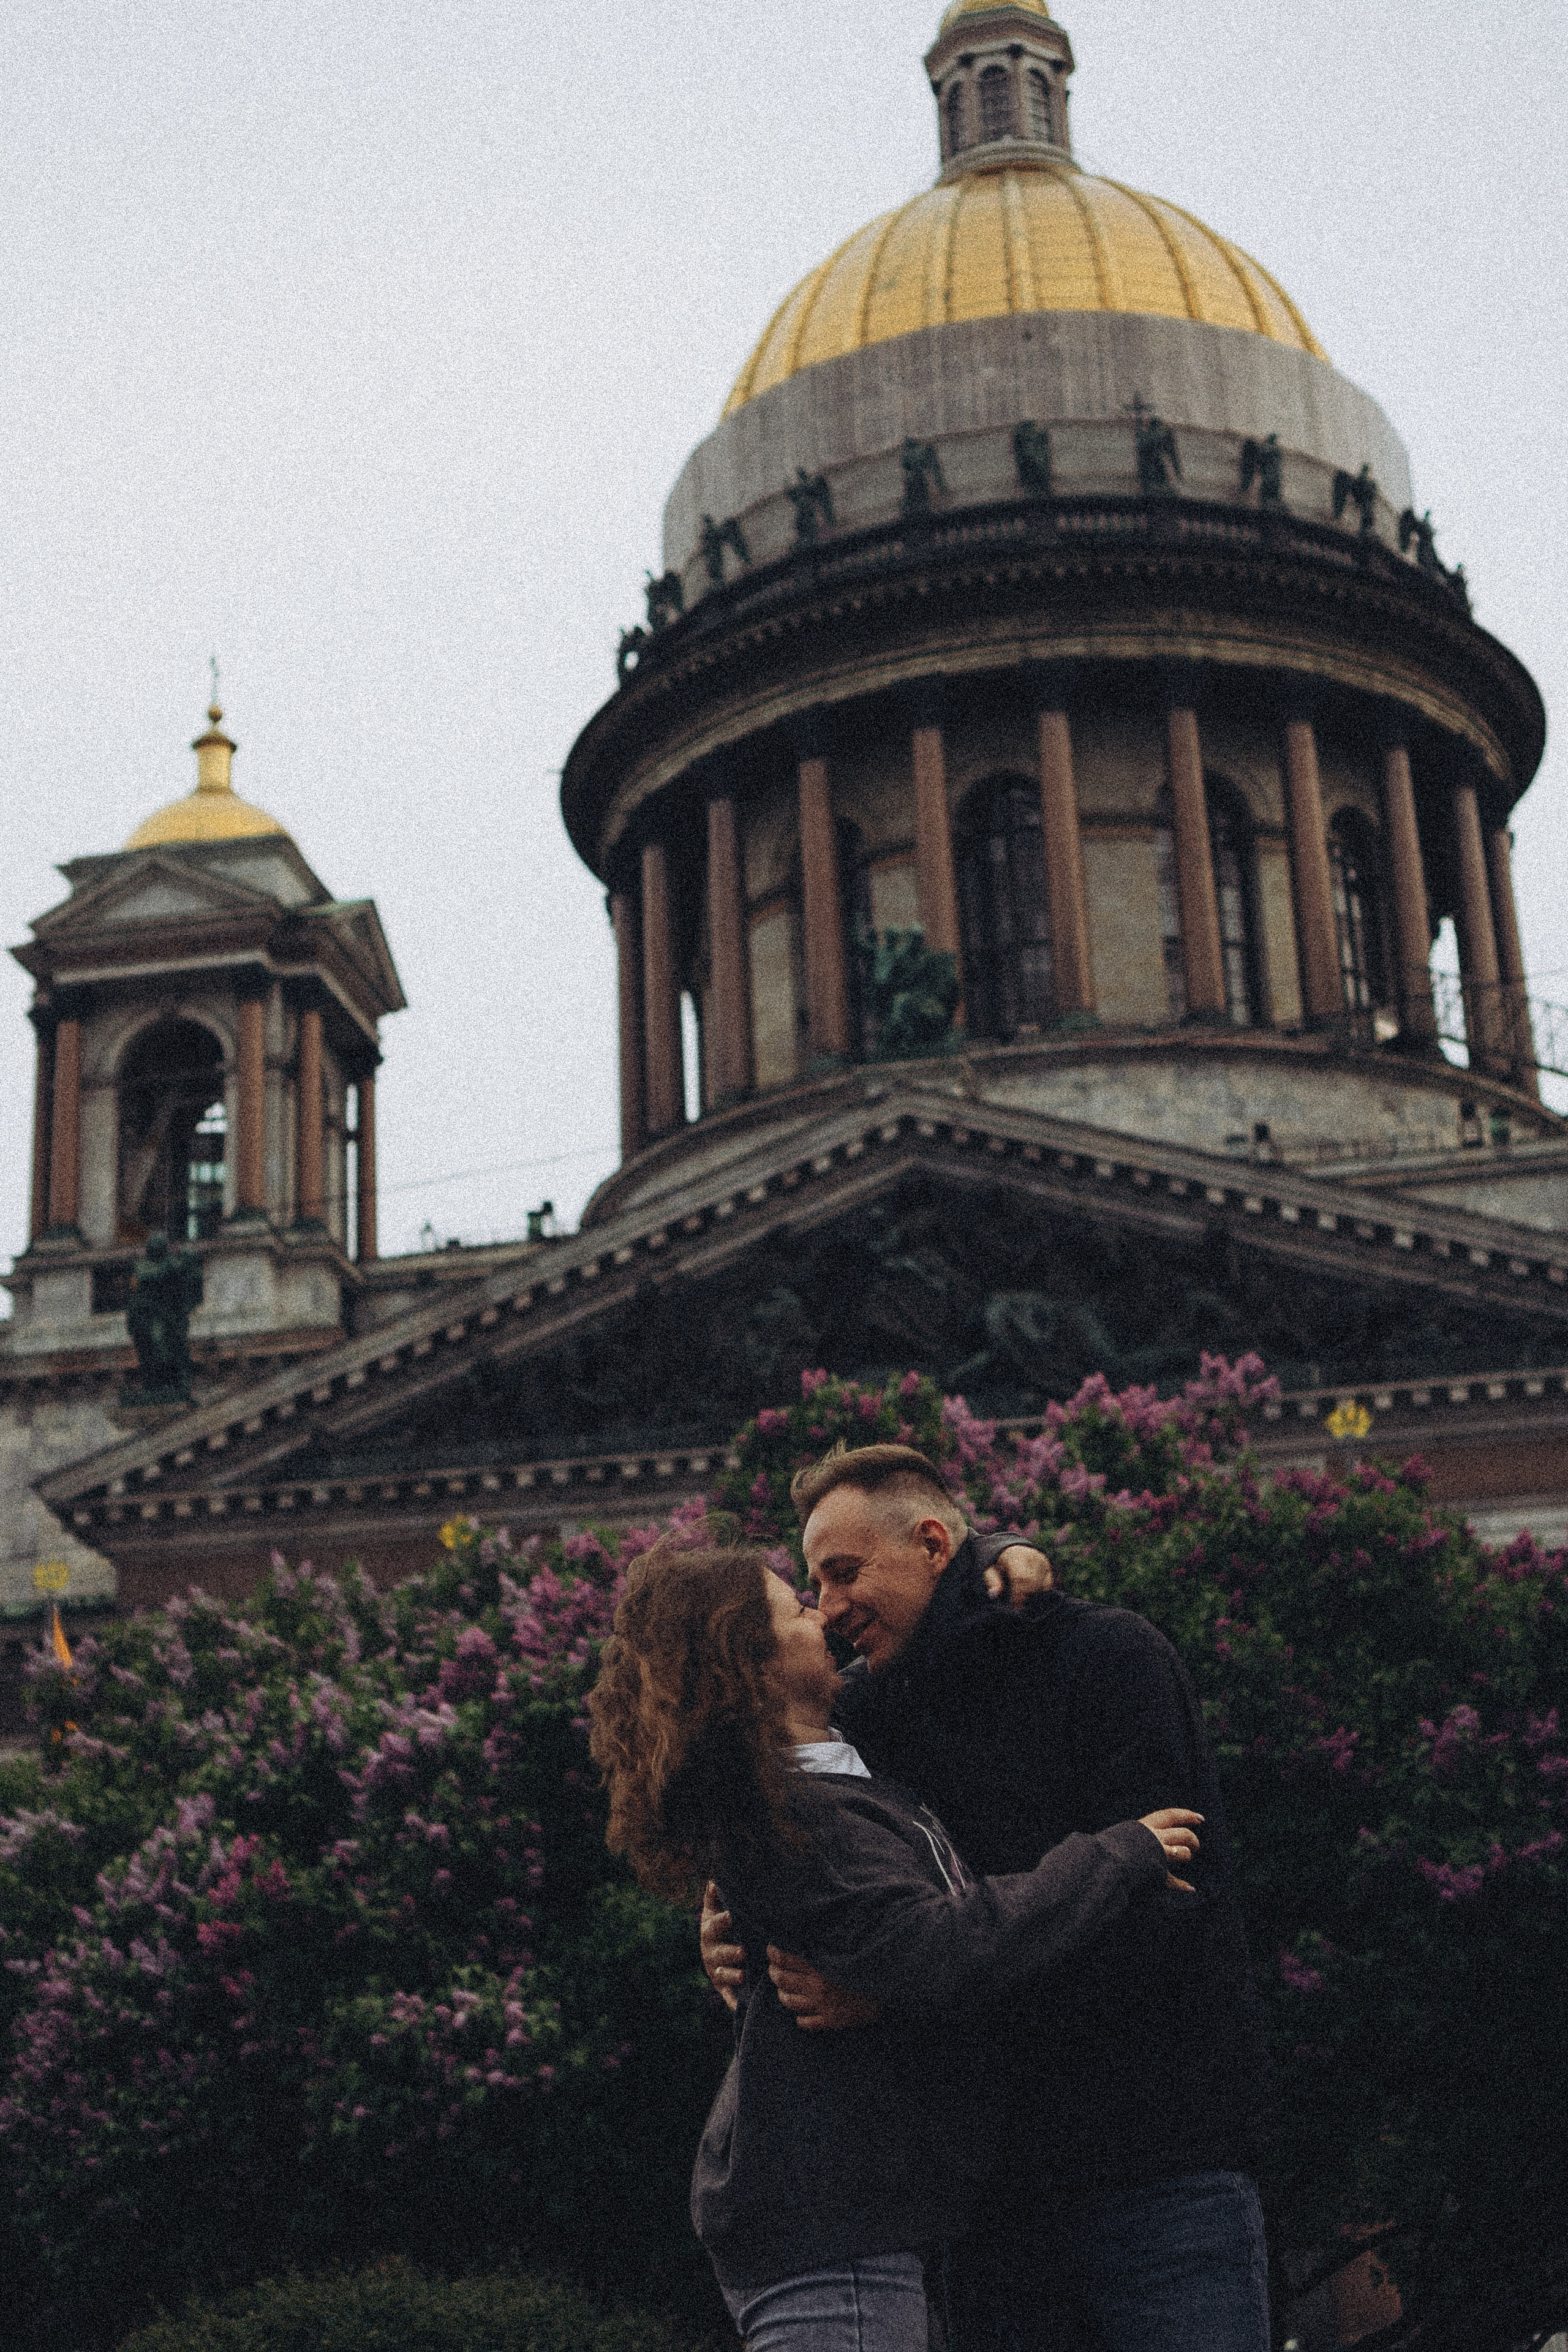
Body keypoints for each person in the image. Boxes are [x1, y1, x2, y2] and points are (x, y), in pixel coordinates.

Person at [703, 1446, 1274, 2352]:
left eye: (844, 1574)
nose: (829, 1608)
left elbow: (1160, 1929)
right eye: (813, 1586)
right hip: (987, 2211)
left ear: (934, 1546)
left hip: (1160, 2175)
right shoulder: (866, 1721)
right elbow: (832, 1901)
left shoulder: (1109, 1659)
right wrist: (737, 1931)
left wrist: (900, 1995)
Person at [588, 1539, 1205, 2352]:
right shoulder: (795, 1818)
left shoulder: (838, 1769)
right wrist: (1115, 1854)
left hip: (866, 2218)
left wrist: (999, 1555)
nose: (821, 1612)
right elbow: (945, 1942)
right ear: (754, 1664)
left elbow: (933, 1612)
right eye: (794, 1609)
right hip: (828, 2222)